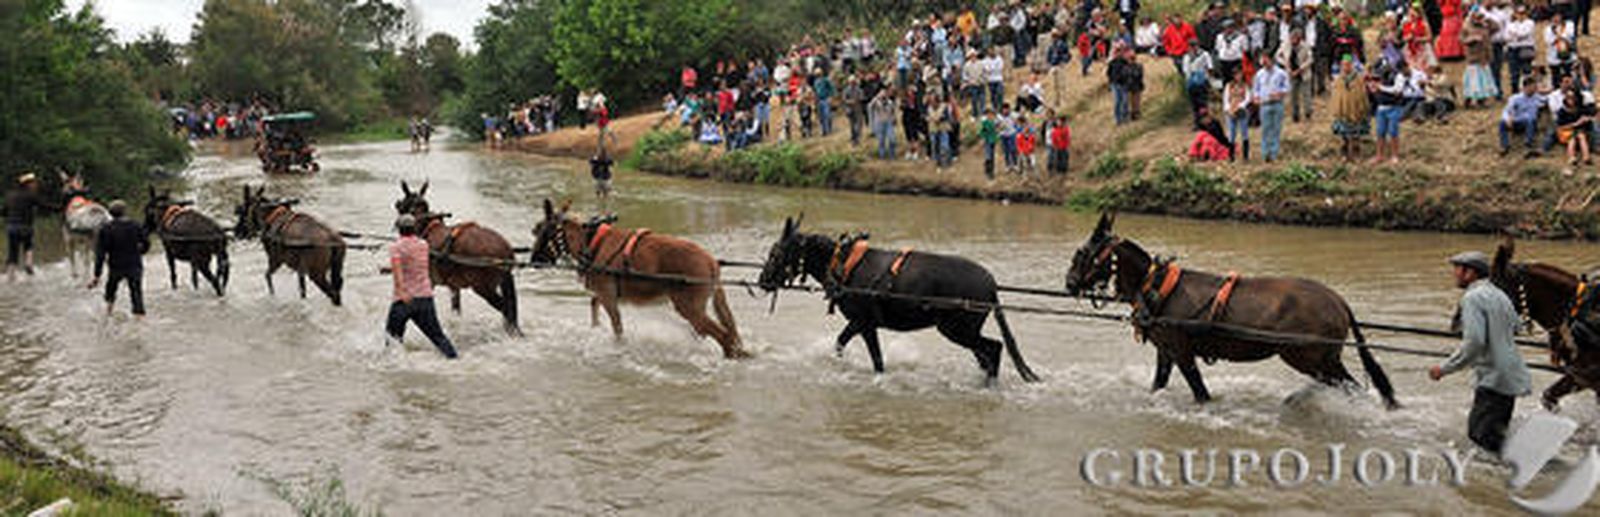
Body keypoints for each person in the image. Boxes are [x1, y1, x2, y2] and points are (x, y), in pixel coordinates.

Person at [1430, 251, 1531, 457]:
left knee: (1480, 438)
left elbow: (1474, 342)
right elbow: (1517, 328)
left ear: (1470, 273)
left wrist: (1444, 368)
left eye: (1457, 269)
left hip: (1493, 379)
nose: (1455, 274)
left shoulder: (1472, 298)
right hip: (1510, 376)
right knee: (1493, 439)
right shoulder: (1500, 294)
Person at [386, 215, 459, 359]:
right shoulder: (423, 245)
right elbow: (414, 265)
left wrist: (402, 292)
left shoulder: (395, 247)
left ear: (399, 230)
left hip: (403, 301)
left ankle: (393, 371)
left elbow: (398, 274)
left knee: (392, 340)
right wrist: (389, 269)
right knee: (438, 337)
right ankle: (455, 360)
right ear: (414, 229)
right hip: (425, 300)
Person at [89, 200, 148, 318]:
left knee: (110, 290)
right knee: (136, 293)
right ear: (125, 212)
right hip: (134, 264)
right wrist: (139, 252)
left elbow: (100, 254)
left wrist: (97, 275)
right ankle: (139, 321)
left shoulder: (105, 229)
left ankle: (108, 313)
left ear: (110, 213)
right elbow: (146, 243)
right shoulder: (136, 225)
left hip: (116, 266)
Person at [1331, 56, 1372, 162]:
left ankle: (1356, 152)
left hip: (1356, 110)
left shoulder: (1358, 79)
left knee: (1356, 134)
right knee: (1344, 134)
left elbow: (1362, 94)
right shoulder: (1338, 79)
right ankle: (1344, 152)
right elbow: (1336, 96)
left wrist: (1362, 107)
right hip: (1343, 111)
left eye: (1348, 64)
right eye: (1343, 65)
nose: (1346, 67)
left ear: (1352, 65)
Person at [4, 173, 42, 281]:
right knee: (28, 245)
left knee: (12, 252)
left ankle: (11, 277)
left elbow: (4, 211)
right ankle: (28, 263)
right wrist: (62, 207)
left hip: (11, 227)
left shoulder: (10, 195)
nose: (35, 185)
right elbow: (44, 206)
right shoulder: (31, 196)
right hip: (26, 227)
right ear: (28, 184)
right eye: (34, 183)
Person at [1253, 52, 1290, 162]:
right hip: (1264, 104)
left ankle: (1274, 154)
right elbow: (1256, 89)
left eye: (1266, 60)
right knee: (1265, 129)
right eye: (1262, 60)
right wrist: (1256, 98)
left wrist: (1279, 94)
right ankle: (1265, 154)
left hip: (1277, 104)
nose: (1264, 63)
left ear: (1271, 60)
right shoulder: (1259, 74)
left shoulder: (1281, 73)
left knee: (1276, 129)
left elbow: (1287, 87)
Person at [1499, 78, 1545, 157]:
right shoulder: (1515, 98)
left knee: (1530, 119)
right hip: (1518, 121)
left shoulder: (1538, 98)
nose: (1534, 89)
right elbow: (1506, 110)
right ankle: (1504, 146)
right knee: (1502, 123)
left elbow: (1547, 100)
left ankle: (1528, 145)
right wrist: (1508, 119)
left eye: (1535, 87)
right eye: (1532, 87)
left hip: (1531, 122)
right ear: (1525, 87)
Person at [1373, 62, 1408, 163]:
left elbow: (1397, 90)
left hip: (1394, 107)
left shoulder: (1399, 76)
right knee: (1380, 133)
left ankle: (1395, 156)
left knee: (1393, 132)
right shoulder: (1379, 75)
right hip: (1381, 107)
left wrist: (1381, 88)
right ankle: (1379, 155)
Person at [1279, 29, 1314, 122]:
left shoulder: (1306, 46)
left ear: (1299, 39)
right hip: (1291, 73)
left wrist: (1300, 69)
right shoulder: (1285, 45)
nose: (1293, 41)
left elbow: (1310, 59)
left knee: (1306, 94)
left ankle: (1308, 112)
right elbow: (1277, 56)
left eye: (1295, 39)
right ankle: (1295, 114)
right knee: (1293, 95)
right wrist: (1285, 64)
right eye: (1292, 39)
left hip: (1304, 73)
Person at [1555, 94, 1594, 169]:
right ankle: (1571, 157)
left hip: (1578, 130)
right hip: (1566, 132)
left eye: (1572, 98)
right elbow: (1561, 127)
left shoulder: (1579, 109)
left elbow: (1589, 115)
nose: (1571, 100)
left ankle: (1586, 157)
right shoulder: (1562, 111)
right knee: (1572, 139)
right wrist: (1575, 124)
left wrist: (1586, 119)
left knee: (1582, 137)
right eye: (1569, 98)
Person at [1223, 67, 1253, 162]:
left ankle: (1245, 156)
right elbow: (1225, 98)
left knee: (1244, 132)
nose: (1238, 76)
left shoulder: (1245, 86)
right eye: (1236, 74)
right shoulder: (1229, 86)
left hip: (1241, 110)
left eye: (1240, 74)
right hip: (1231, 110)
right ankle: (1231, 156)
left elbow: (1248, 98)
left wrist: (1240, 106)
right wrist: (1229, 109)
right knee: (1231, 133)